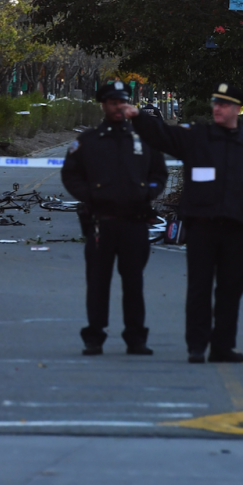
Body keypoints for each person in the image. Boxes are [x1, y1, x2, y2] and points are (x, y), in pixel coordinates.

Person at [122, 83, 243, 363]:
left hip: (239, 228)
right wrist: (138, 116)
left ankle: (223, 346)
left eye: (224, 105)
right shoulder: (197, 137)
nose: (217, 108)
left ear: (238, 109)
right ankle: (197, 345)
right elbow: (162, 136)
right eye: (215, 103)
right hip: (203, 227)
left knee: (231, 288)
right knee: (200, 287)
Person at [62, 81, 168, 356]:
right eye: (112, 103)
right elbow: (70, 174)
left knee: (134, 282)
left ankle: (136, 338)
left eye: (122, 102)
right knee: (98, 283)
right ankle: (94, 337)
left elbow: (159, 174)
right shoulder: (88, 141)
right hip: (101, 222)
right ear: (104, 105)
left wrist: (150, 192)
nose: (118, 107)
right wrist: (90, 196)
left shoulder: (142, 140)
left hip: (135, 222)